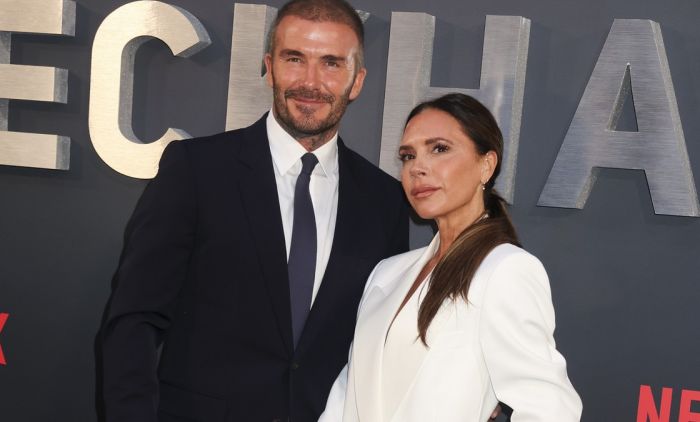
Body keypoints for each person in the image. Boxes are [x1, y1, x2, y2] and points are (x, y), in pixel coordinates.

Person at [99, 1, 408, 421]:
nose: (310, 81)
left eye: (331, 63)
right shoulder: (197, 170)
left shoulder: (384, 200)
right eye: (294, 59)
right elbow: (134, 319)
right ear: (270, 67)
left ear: (357, 81)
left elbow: (381, 344)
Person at [319, 93, 583, 422]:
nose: (417, 168)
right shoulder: (386, 273)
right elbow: (347, 396)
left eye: (439, 149)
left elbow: (549, 407)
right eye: (408, 156)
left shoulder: (505, 271)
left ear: (486, 165)